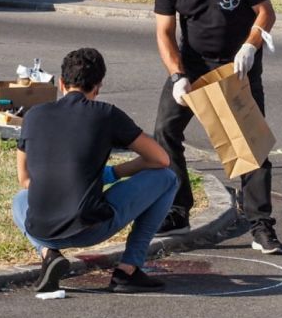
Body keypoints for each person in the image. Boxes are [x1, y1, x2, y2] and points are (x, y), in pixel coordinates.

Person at [152, 0, 282, 255]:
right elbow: (165, 32)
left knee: (249, 144)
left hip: (236, 65)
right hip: (192, 64)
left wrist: (250, 47)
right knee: (165, 130)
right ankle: (178, 208)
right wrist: (177, 75)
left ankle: (260, 223)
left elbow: (266, 12)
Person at [12, 47, 178, 293]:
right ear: (98, 87)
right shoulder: (106, 114)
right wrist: (113, 174)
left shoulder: (33, 116)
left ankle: (49, 254)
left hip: (43, 229)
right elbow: (161, 159)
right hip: (90, 227)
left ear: (61, 83)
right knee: (167, 179)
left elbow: (25, 179)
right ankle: (128, 269)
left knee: (19, 199)